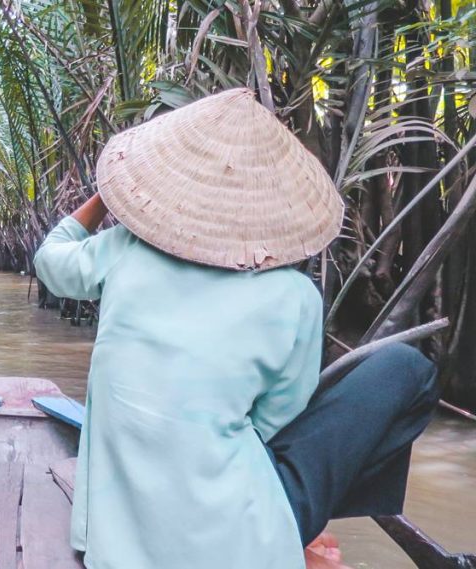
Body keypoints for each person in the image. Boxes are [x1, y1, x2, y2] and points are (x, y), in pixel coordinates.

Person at [33, 89, 439, 569]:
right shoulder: (296, 296)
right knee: (406, 368)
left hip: (115, 545)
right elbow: (278, 420)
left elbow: (50, 260)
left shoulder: (123, 250)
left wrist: (107, 195)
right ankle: (304, 532)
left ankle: (298, 531)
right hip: (240, 543)